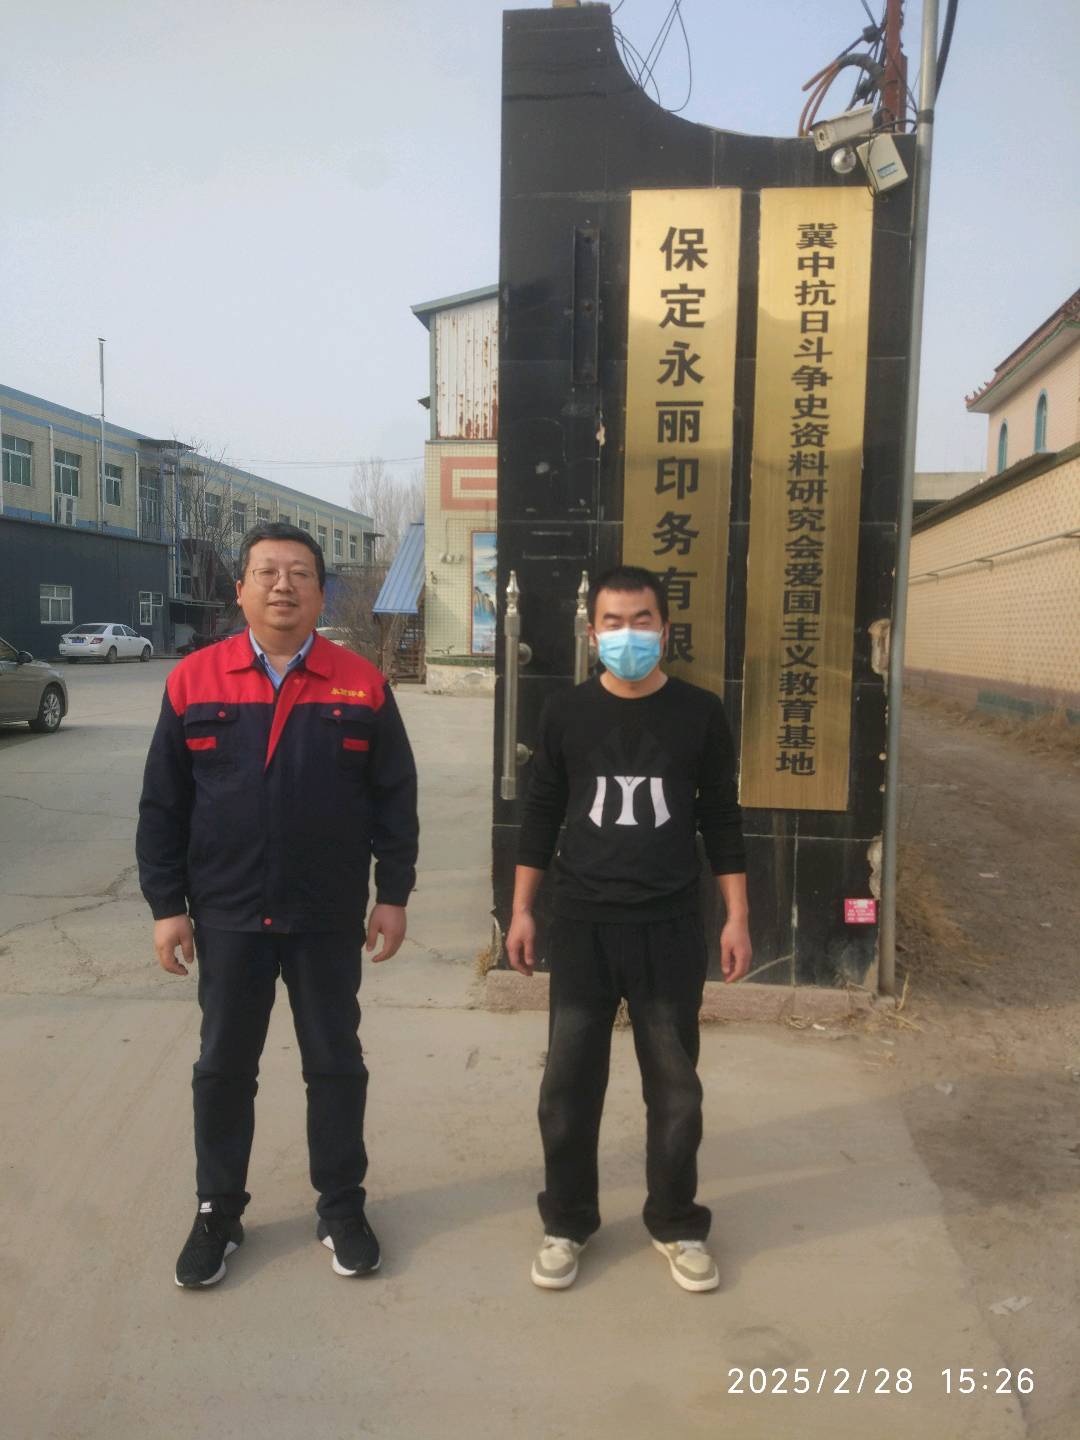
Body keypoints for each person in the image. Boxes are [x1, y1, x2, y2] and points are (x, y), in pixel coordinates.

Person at [137, 522, 418, 1288]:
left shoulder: (361, 683)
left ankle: (342, 1207)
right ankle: (217, 1212)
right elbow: (163, 805)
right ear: (241, 590)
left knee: (336, 1065)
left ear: (322, 592)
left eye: (300, 572)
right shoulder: (193, 679)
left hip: (326, 915)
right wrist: (167, 905)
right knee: (223, 1068)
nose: (283, 585)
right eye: (267, 571)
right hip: (227, 914)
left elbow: (395, 799)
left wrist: (393, 894)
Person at [505, 564, 751, 1293]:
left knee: (676, 1091)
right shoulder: (566, 713)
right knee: (567, 1088)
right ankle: (567, 1221)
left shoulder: (699, 713)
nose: (628, 634)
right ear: (593, 634)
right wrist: (521, 908)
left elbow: (723, 819)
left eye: (642, 620)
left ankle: (676, 1222)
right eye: (613, 622)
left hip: (668, 925)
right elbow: (541, 815)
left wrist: (737, 916)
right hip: (582, 924)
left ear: (665, 630)